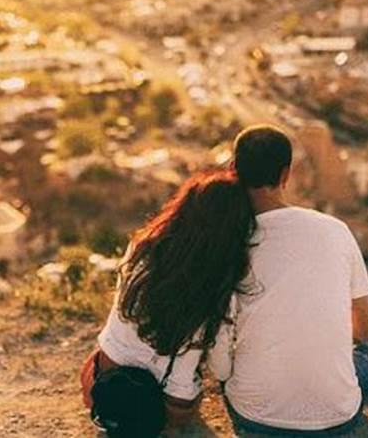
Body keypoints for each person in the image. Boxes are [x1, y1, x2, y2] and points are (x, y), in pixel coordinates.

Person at [209, 125, 368, 436]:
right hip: (336, 416)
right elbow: (365, 331)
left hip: (253, 415)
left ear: (234, 170)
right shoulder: (335, 230)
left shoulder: (229, 244)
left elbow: (219, 364)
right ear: (285, 175)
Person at [80, 170, 257, 436]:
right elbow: (220, 367)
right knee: (190, 391)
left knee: (97, 358)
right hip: (169, 400)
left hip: (105, 381)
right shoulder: (217, 283)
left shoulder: (141, 247)